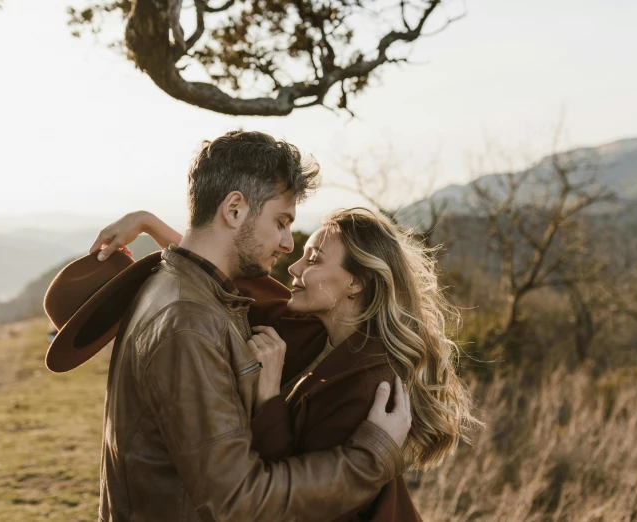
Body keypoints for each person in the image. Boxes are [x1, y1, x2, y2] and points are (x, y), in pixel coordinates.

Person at [92, 131, 412, 522]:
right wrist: (371, 457)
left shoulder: (188, 288)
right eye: (281, 221)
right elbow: (239, 500)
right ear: (235, 210)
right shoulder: (187, 323)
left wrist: (148, 222)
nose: (287, 244)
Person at [96, 203, 479, 520]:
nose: (294, 267)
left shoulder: (368, 385)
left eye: (313, 259)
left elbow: (300, 500)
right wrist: (147, 223)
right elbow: (213, 272)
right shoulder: (307, 326)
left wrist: (267, 396)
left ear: (356, 283)